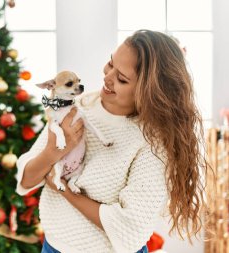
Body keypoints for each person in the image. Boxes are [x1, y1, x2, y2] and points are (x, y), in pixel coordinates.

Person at [15, 30, 208, 253]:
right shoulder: (79, 105)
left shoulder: (153, 142)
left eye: (122, 79)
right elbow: (27, 180)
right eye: (110, 63)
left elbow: (130, 228)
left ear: (148, 92)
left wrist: (64, 190)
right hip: (54, 247)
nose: (107, 77)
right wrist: (52, 152)